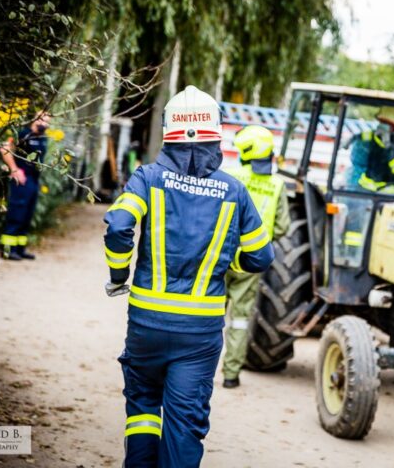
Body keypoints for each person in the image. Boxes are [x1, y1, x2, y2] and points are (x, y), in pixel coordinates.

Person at [103, 85, 274, 467]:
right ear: (216, 134)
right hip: (199, 334)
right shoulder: (235, 191)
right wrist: (228, 264)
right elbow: (261, 257)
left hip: (146, 324)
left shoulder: (147, 178)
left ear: (169, 133)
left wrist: (118, 275)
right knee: (183, 425)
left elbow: (118, 227)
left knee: (144, 408)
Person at [222, 125, 290, 389]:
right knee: (240, 318)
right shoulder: (277, 185)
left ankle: (197, 368)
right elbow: (283, 227)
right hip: (251, 262)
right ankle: (231, 375)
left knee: (210, 312)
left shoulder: (231, 176)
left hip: (223, 254)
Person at [0, 111, 50, 260]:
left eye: (48, 122)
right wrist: (14, 169)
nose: (45, 125)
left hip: (34, 180)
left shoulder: (42, 137)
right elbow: (4, 149)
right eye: (43, 121)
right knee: (16, 214)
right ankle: (8, 250)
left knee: (27, 215)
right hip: (21, 180)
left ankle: (20, 249)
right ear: (35, 119)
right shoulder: (22, 134)